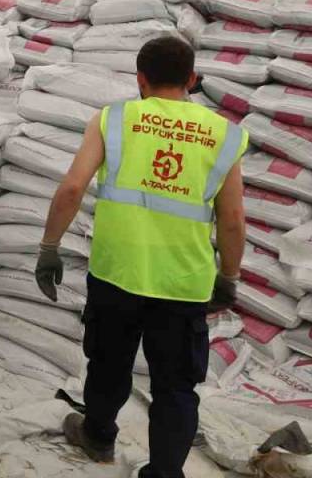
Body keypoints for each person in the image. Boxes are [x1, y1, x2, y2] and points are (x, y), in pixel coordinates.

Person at [36, 36, 247, 478]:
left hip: (117, 273)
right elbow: (231, 220)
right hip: (183, 283)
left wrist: (49, 248)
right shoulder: (223, 134)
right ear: (191, 79)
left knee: (108, 363)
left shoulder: (114, 119)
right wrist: (227, 276)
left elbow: (72, 187)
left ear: (140, 79)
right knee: (175, 386)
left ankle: (97, 436)